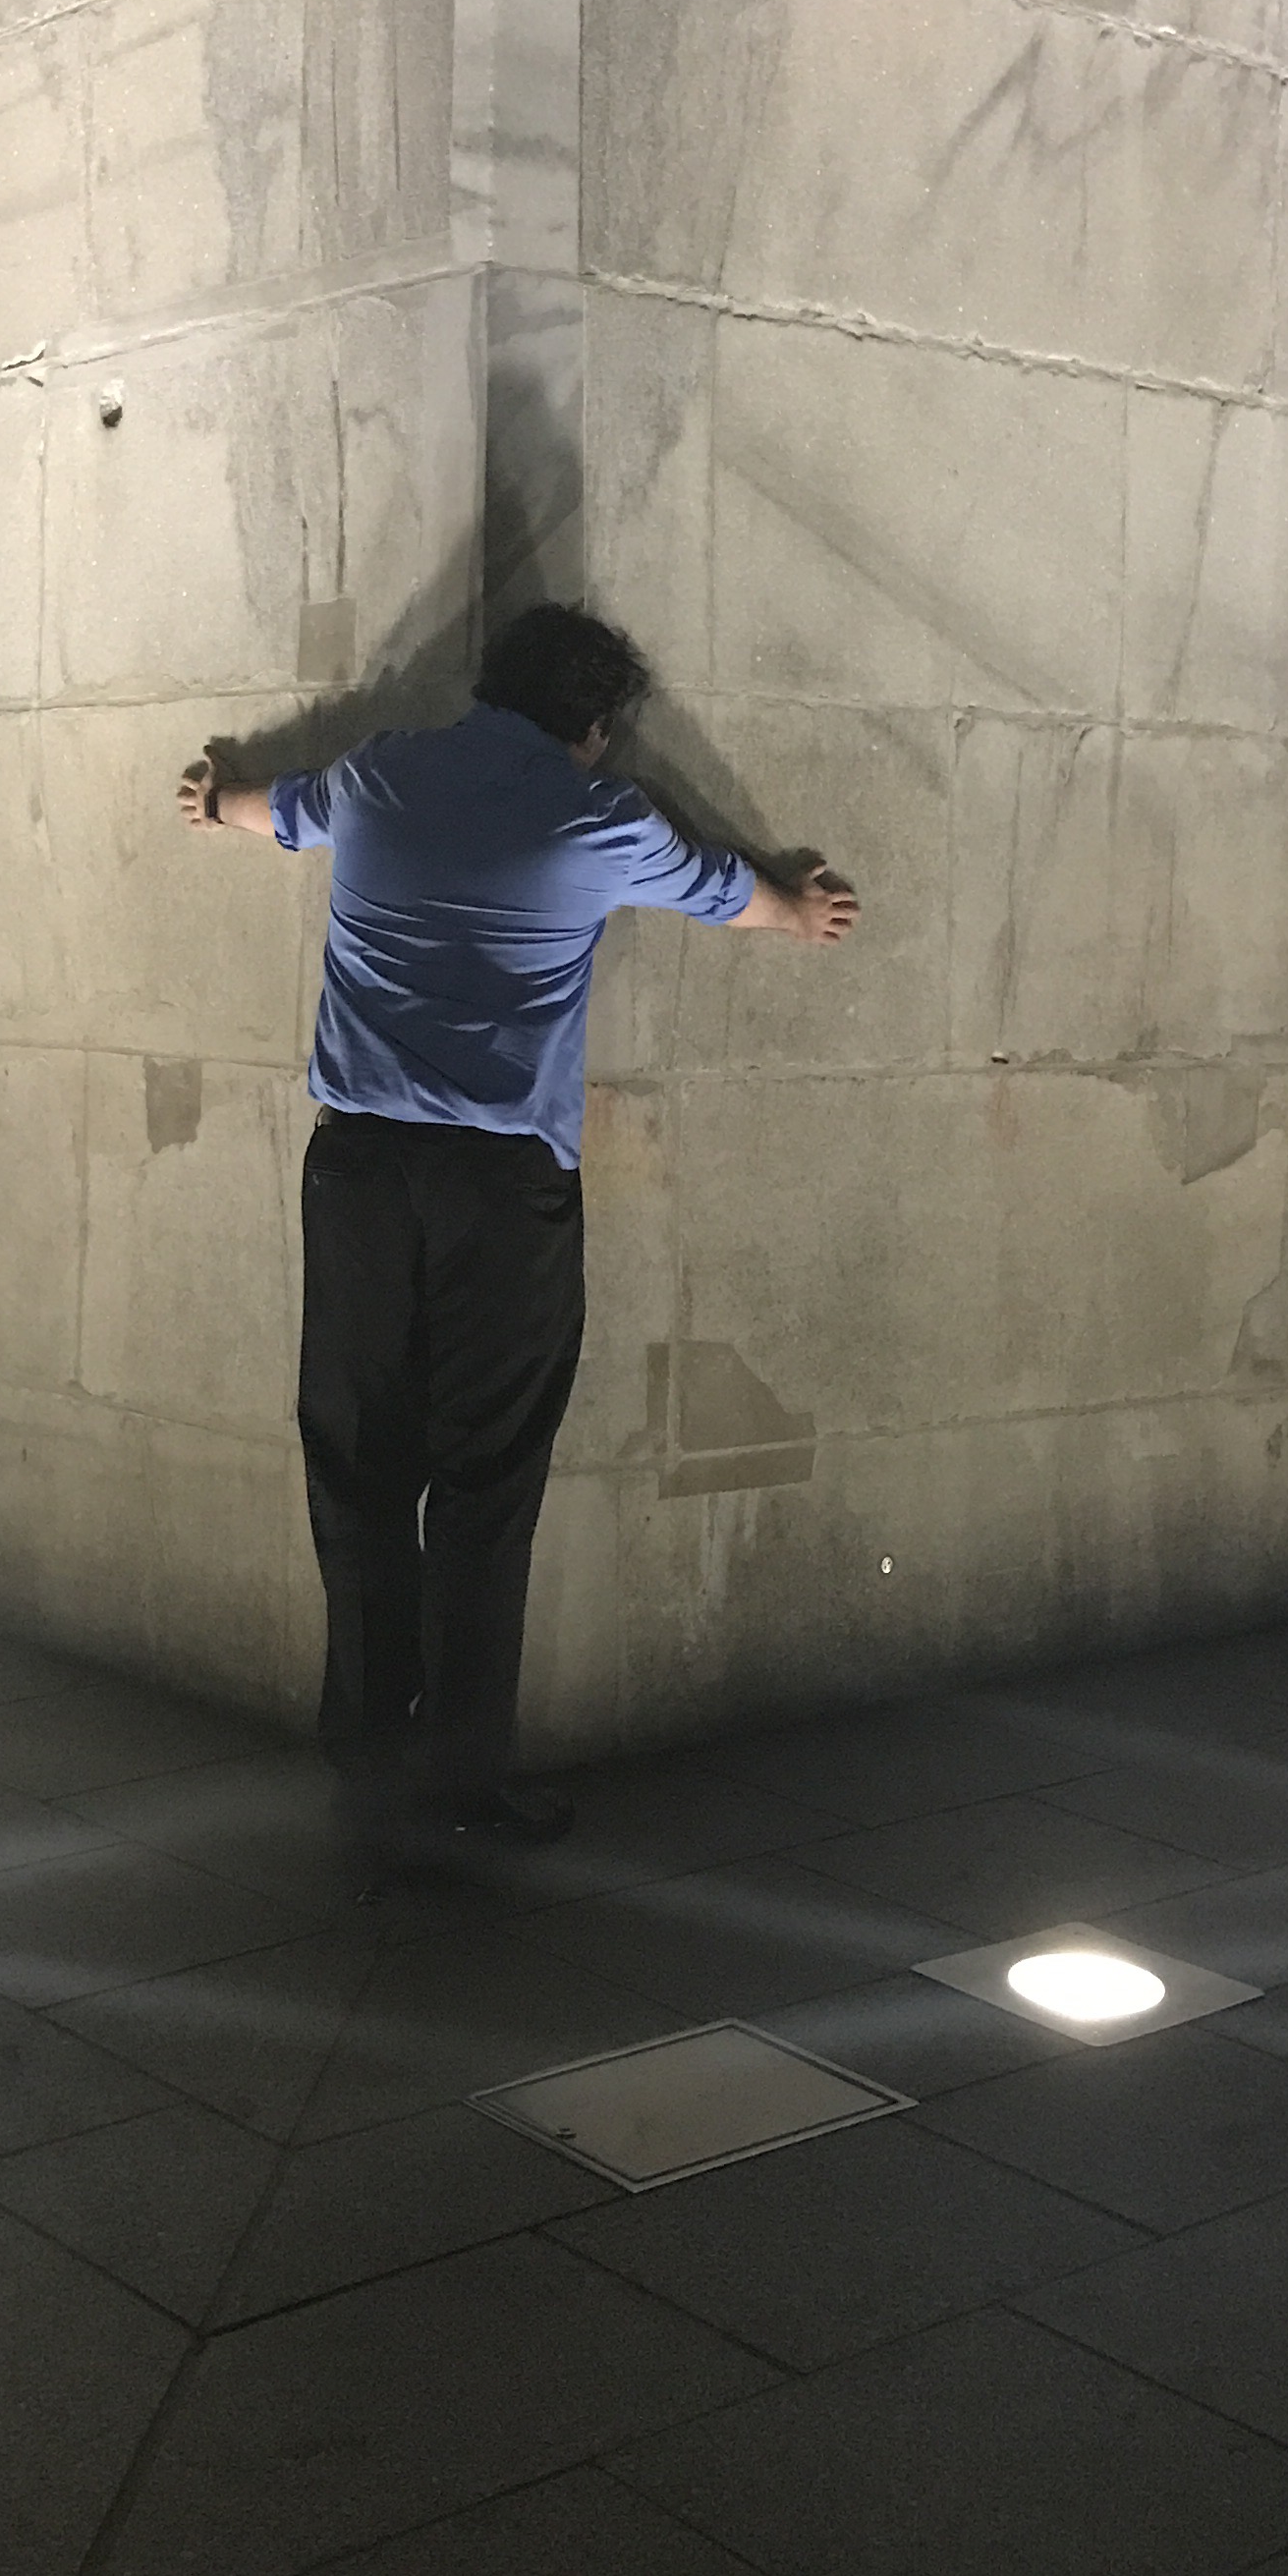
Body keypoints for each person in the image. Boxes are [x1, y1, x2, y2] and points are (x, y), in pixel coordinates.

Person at [178, 603, 858, 1873]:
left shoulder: (381, 774)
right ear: (592, 725)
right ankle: (461, 1781)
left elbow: (280, 813)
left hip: (358, 1173)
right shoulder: (598, 818)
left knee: (355, 1462)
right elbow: (734, 898)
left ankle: (365, 1749)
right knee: (485, 1484)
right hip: (501, 1194)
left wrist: (216, 799)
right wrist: (802, 910)